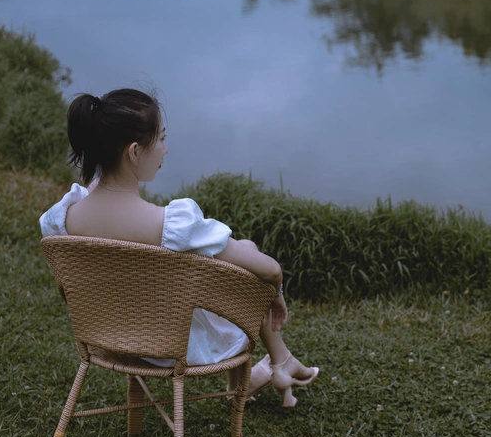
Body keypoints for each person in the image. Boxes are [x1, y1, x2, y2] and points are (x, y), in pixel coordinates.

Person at [39, 88, 318, 408]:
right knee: (249, 257)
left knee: (243, 250)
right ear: (134, 152)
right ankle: (275, 364)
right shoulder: (173, 225)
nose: (165, 149)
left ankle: (279, 362)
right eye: (161, 139)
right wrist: (276, 295)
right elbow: (271, 270)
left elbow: (68, 289)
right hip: (172, 346)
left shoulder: (62, 219)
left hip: (107, 336)